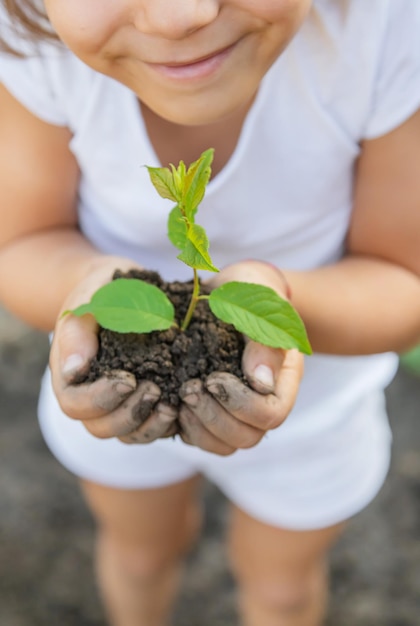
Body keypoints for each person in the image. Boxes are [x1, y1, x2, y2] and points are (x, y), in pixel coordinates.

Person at [0, 1, 419, 624]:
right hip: (117, 398)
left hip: (316, 416)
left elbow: (406, 284)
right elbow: (21, 245)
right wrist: (86, 293)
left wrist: (272, 302)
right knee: (140, 556)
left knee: (282, 589)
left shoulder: (387, 33)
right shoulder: (35, 46)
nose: (179, 17)